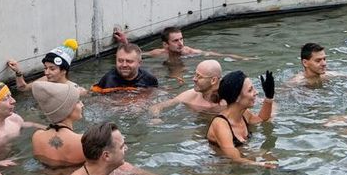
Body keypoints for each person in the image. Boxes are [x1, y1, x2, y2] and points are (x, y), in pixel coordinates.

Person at [206, 70, 277, 167]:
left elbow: (261, 118)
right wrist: (261, 164)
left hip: (242, 159)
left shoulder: (244, 114)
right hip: (220, 167)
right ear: (237, 97)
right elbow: (235, 158)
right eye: (250, 90)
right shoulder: (221, 125)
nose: (256, 93)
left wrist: (269, 97)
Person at [112, 26, 242, 63]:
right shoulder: (159, 53)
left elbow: (217, 55)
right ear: (165, 45)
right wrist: (125, 43)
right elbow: (136, 54)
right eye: (175, 41)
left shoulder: (188, 51)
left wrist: (241, 58)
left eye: (181, 39)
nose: (180, 43)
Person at [30, 81, 85, 167]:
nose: (82, 104)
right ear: (67, 109)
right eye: (78, 102)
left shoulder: (37, 136)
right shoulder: (82, 141)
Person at [6, 39, 85, 94]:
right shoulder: (45, 80)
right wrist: (17, 72)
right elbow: (23, 88)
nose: (46, 72)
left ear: (64, 71)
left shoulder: (75, 90)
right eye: (45, 68)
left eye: (52, 69)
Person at [151, 60, 224, 115]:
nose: (194, 79)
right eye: (195, 74)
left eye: (199, 77)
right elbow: (157, 106)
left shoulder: (229, 98)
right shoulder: (190, 96)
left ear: (213, 80)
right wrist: (155, 118)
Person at [91, 43, 159, 92]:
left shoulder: (149, 79)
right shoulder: (109, 80)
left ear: (139, 63)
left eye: (129, 61)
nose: (124, 65)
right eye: (120, 61)